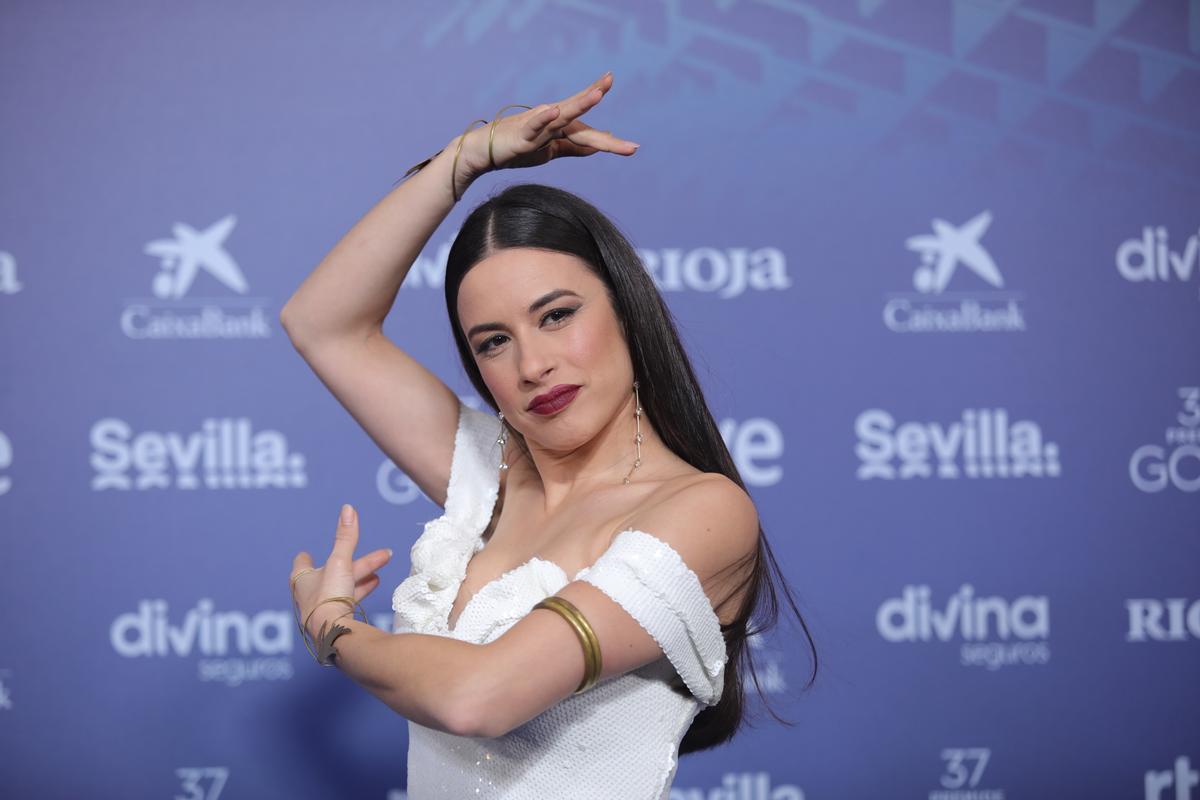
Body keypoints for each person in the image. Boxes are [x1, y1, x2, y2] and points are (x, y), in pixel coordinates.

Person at [281, 70, 817, 798]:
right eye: (493, 342)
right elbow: (322, 323)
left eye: (557, 315)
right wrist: (470, 157)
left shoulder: (704, 511)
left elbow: (478, 699)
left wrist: (333, 626)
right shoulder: (484, 478)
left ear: (626, 311)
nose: (533, 364)